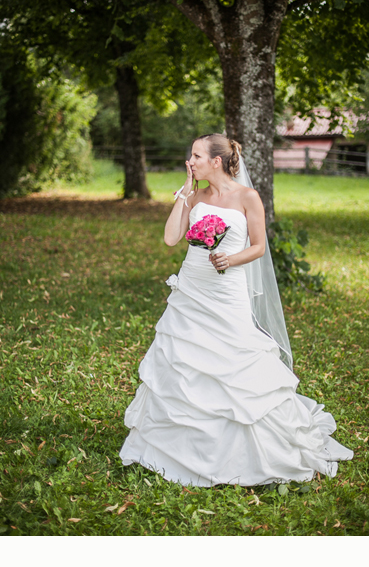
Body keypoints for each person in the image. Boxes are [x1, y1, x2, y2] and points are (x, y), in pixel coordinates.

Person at [120, 133, 352, 486]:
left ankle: (254, 447)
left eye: (196, 156)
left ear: (216, 161)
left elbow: (258, 247)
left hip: (227, 289)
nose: (190, 162)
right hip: (191, 289)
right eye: (190, 156)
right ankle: (180, 445)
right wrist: (184, 192)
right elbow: (170, 238)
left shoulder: (247, 197)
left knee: (235, 358)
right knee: (183, 359)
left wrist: (231, 258)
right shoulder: (195, 195)